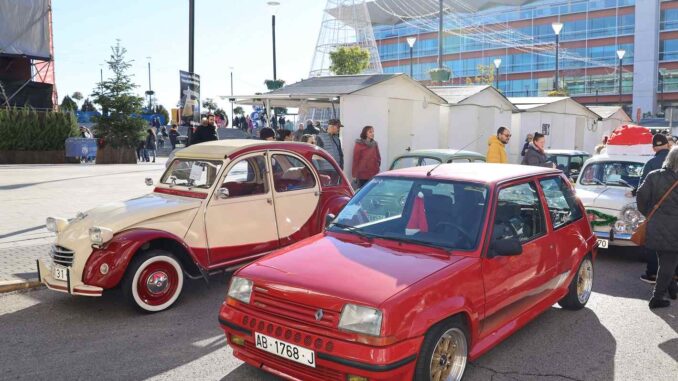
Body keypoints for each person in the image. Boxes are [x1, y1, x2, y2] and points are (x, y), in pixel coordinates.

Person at [636, 147, 678, 309]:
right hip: (674, 230)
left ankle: (672, 288)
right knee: (669, 262)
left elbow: (640, 195)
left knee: (666, 261)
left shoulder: (654, 176)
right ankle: (657, 298)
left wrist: (648, 213)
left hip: (655, 226)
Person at [638, 134, 672, 284]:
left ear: (653, 148)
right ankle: (672, 276)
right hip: (675, 213)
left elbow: (641, 192)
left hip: (655, 212)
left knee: (653, 243)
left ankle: (653, 274)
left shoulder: (651, 164)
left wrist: (647, 212)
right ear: (667, 145)